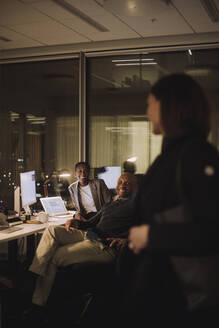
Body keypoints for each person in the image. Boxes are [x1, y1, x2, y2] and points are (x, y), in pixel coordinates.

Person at [125, 73, 219, 327]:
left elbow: (212, 231)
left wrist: (149, 236)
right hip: (160, 295)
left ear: (169, 105)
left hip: (182, 303)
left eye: (149, 104)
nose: (147, 112)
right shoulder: (171, 154)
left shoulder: (196, 155)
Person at [27, 173, 137, 315]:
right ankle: (36, 271)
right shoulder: (111, 204)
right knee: (52, 230)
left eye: (127, 183)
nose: (122, 185)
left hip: (104, 245)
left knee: (54, 256)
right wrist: (75, 221)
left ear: (136, 187)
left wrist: (128, 240)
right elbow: (90, 223)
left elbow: (147, 229)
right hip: (90, 235)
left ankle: (37, 304)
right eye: (120, 182)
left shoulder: (139, 206)